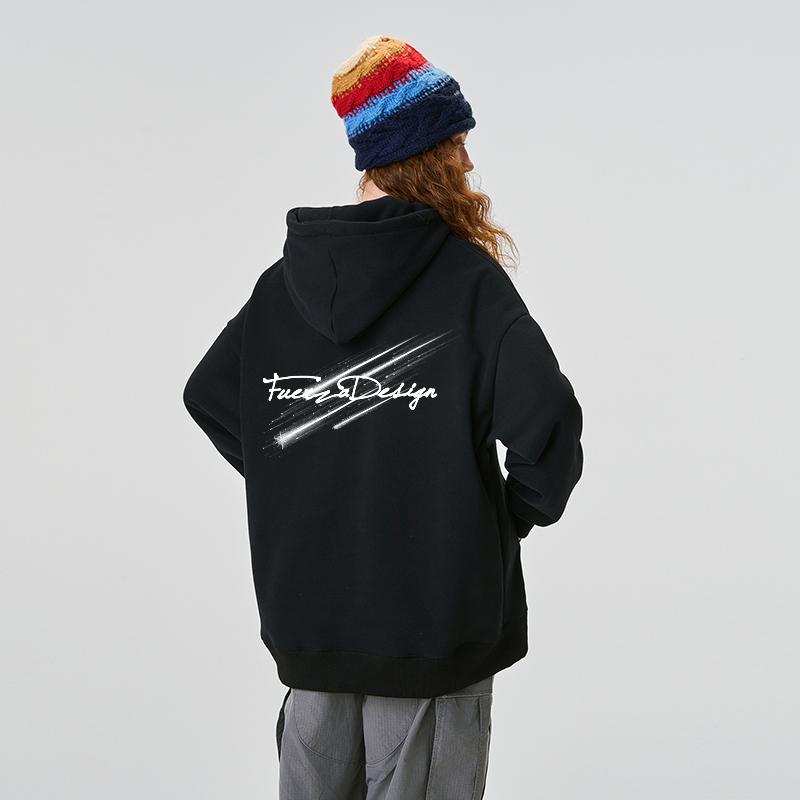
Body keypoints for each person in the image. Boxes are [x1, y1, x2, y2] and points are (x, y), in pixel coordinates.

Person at [183, 34, 584, 800]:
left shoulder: (280, 287)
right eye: (457, 142)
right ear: (422, 153)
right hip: (434, 630)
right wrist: (503, 514)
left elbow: (212, 396)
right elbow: (550, 431)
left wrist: (298, 476)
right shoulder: (468, 284)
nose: (468, 161)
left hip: (312, 630)